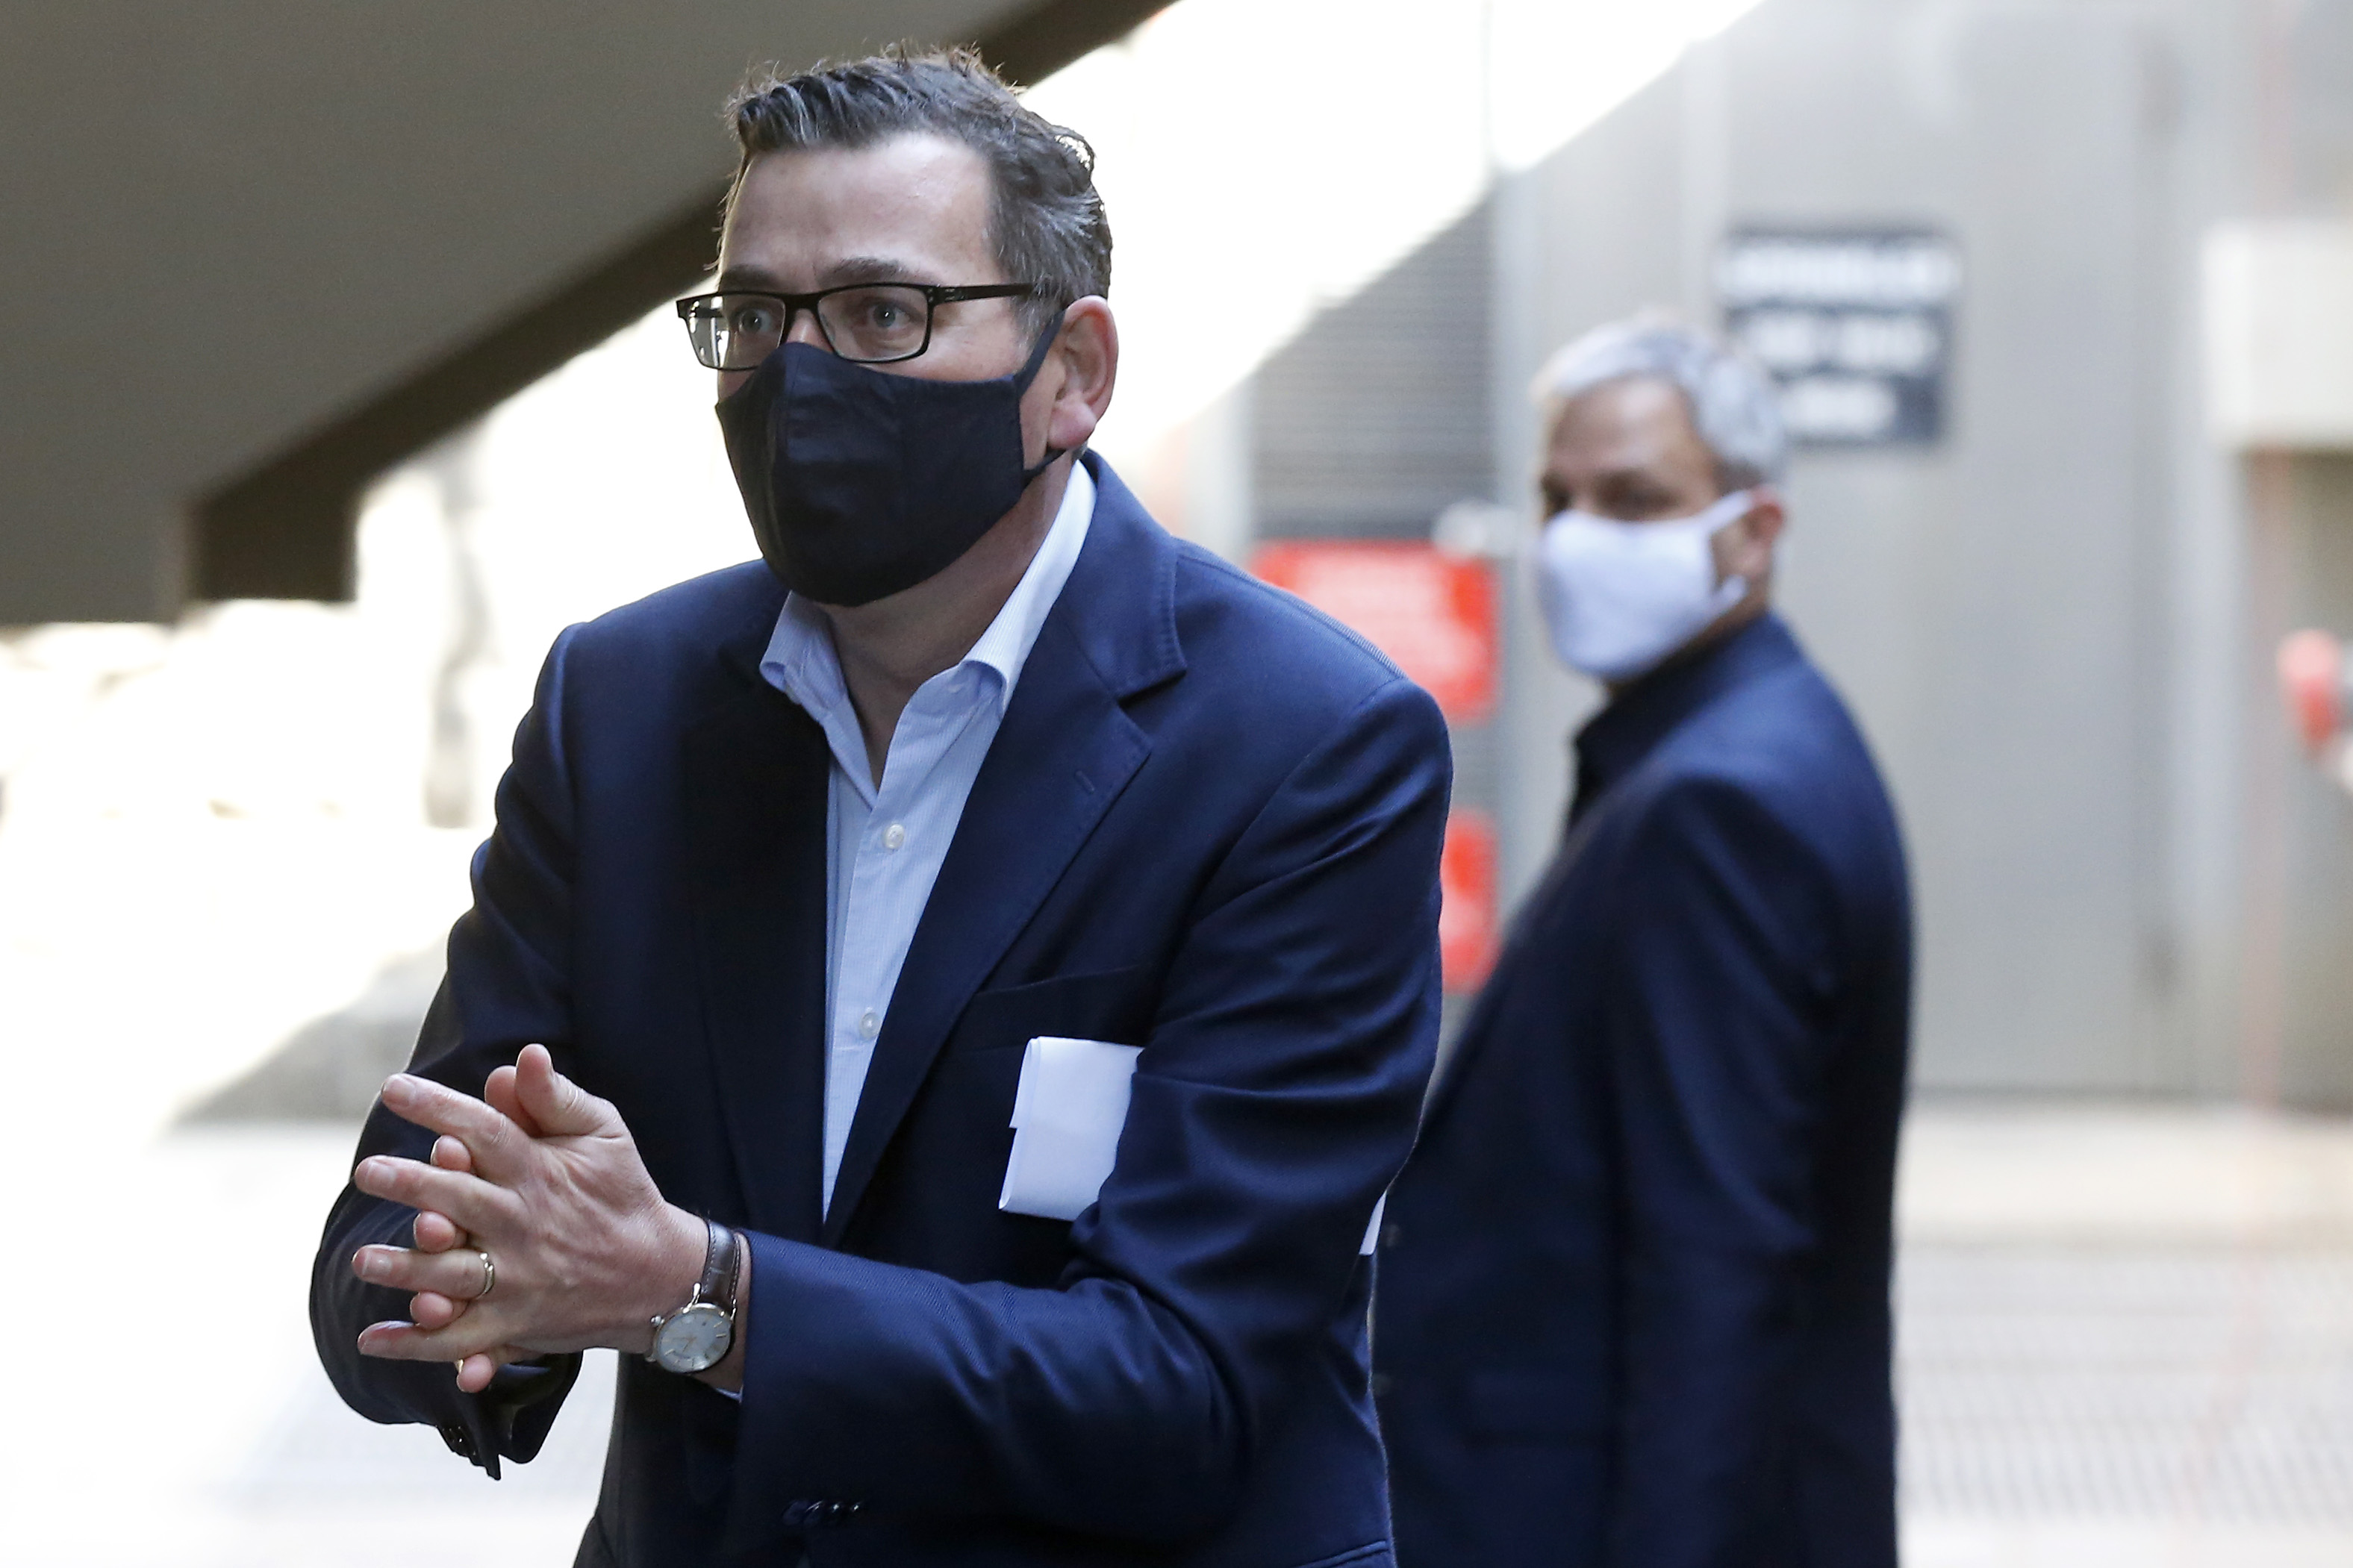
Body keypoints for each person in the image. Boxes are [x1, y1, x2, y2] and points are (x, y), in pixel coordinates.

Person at [310, 49, 1451, 1568]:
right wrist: (474, 1287)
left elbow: (1186, 1385)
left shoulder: (1305, 745)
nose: (798, 371)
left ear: (1073, 373)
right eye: (753, 317)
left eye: (882, 313)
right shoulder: (625, 704)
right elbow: (392, 1239)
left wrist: (688, 1293)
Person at [1372, 318, 1911, 1567]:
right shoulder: (1722, 750)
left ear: (1755, 529)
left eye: (1633, 499)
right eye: (1556, 497)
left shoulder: (1721, 807)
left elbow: (1716, 1272)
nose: (1574, 540)